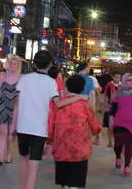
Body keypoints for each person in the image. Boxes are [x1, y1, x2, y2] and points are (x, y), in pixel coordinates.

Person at [16, 50, 83, 189]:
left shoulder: (24, 79)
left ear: (34, 63)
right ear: (50, 64)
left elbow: (17, 104)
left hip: (22, 126)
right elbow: (58, 103)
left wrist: (12, 126)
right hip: (39, 129)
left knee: (23, 159)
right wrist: (77, 97)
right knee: (34, 167)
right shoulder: (50, 82)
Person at [48, 75, 102, 189]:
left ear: (67, 87)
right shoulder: (84, 104)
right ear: (82, 88)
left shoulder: (59, 103)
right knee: (76, 180)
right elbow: (93, 123)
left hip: (61, 146)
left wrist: (50, 140)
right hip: (80, 148)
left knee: (64, 177)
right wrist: (97, 133)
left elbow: (51, 122)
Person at [110, 73, 132, 176]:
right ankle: (118, 157)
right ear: (124, 81)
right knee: (118, 144)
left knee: (129, 145)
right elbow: (113, 109)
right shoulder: (118, 93)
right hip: (119, 122)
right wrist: (111, 119)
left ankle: (127, 167)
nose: (131, 82)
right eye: (129, 80)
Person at [0, 54, 22, 165]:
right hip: (3, 105)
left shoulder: (21, 77)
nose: (12, 65)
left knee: (11, 133)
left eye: (15, 64)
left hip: (15, 108)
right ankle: (0, 157)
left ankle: (9, 154)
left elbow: (22, 94)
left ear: (18, 65)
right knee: (2, 132)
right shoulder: (3, 76)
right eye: (11, 63)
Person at [102, 71, 122, 147]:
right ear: (113, 77)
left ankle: (117, 141)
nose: (117, 79)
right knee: (110, 125)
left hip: (120, 108)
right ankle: (110, 141)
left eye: (119, 77)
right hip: (110, 107)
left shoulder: (122, 85)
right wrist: (106, 106)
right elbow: (106, 96)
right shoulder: (109, 85)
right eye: (116, 77)